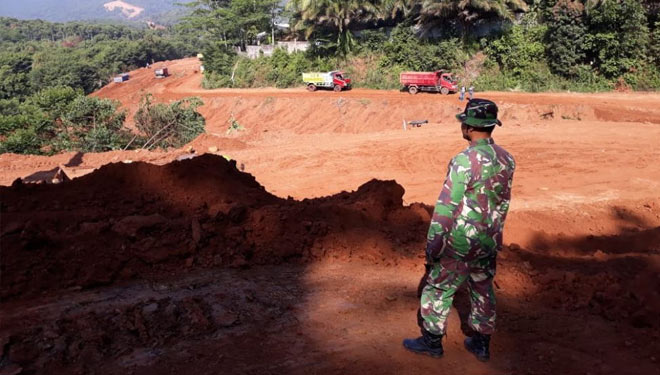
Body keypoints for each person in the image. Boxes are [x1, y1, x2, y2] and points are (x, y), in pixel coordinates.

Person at [403, 98, 515, 362]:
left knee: (437, 288)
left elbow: (446, 208)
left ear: (469, 128)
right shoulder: (507, 159)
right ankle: (481, 344)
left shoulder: (463, 161)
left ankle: (432, 342)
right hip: (489, 240)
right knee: (483, 288)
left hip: (461, 242)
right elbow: (500, 203)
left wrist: (433, 247)